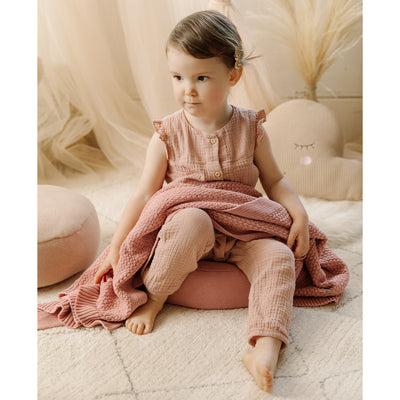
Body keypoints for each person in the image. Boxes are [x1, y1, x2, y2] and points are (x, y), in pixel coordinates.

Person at [93, 10, 310, 393]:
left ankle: (265, 346)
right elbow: (144, 195)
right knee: (192, 218)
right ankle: (156, 299)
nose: (187, 90)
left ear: (233, 76)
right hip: (188, 233)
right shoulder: (167, 134)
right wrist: (117, 246)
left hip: (243, 232)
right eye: (178, 77)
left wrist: (299, 215)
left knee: (279, 257)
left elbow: (275, 181)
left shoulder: (251, 129)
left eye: (201, 78)